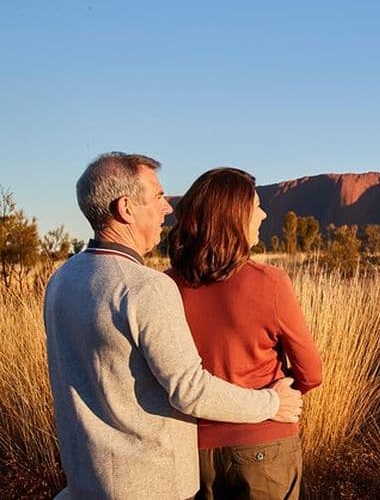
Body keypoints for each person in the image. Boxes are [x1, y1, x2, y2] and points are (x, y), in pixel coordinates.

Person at [44, 153, 303, 500]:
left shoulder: (62, 280)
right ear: (126, 208)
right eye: (158, 196)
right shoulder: (145, 287)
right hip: (150, 484)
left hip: (87, 482)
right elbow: (190, 389)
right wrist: (271, 403)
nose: (167, 208)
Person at [165, 167, 322, 500]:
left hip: (193, 453)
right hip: (264, 445)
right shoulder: (270, 282)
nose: (263, 215)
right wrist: (282, 398)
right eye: (257, 207)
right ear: (234, 217)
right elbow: (312, 372)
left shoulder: (165, 287)